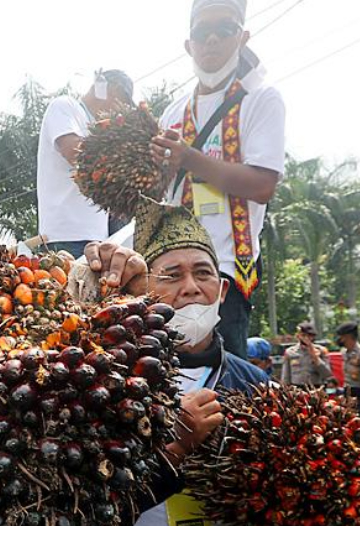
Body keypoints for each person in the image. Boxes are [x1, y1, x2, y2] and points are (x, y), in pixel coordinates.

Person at [80, 204, 267, 526]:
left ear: (222, 291)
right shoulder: (109, 379)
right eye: (172, 275)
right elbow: (91, 508)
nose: (192, 287)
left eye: (203, 273)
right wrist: (176, 446)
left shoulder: (256, 384)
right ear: (143, 291)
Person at [150, 0, 286, 361]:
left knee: (225, 388)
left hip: (223, 273)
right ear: (188, 43)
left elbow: (262, 185)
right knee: (167, 381)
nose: (212, 39)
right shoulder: (174, 110)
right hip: (170, 274)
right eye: (203, 31)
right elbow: (162, 192)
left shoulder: (261, 99)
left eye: (224, 29)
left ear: (242, 38)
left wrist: (188, 158)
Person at [36, 69, 135, 258]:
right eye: (122, 101)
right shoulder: (65, 106)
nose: (122, 110)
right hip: (64, 236)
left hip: (98, 239)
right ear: (106, 88)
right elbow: (73, 151)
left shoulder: (99, 129)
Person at [280, 322, 333, 387]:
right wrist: (284, 388)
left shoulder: (321, 351)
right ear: (298, 336)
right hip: (297, 389)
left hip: (316, 388)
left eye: (309, 336)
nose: (306, 338)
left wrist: (316, 358)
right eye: (303, 335)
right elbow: (285, 376)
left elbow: (327, 374)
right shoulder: (290, 352)